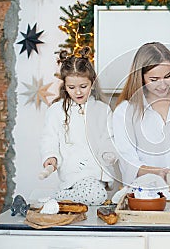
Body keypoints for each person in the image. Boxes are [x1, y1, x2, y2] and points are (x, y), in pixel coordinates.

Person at [112, 42, 170, 186]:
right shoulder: (125, 111)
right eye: (154, 80)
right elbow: (127, 160)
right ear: (141, 77)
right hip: (146, 193)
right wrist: (156, 173)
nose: (163, 85)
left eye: (167, 76)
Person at [40, 46, 117, 206]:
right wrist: (50, 157)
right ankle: (56, 198)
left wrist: (110, 153)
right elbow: (50, 138)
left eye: (83, 87)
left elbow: (109, 137)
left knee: (98, 198)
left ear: (92, 83)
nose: (78, 92)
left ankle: (59, 200)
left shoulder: (102, 109)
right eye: (71, 88)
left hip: (97, 172)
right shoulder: (56, 110)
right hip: (73, 173)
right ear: (64, 86)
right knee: (96, 197)